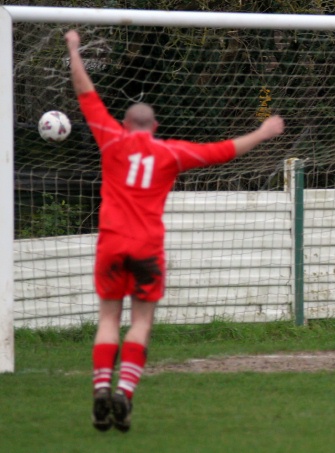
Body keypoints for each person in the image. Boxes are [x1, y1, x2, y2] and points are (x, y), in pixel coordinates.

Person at [65, 30, 286, 432]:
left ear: (126, 124)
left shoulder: (110, 139)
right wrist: (264, 132)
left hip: (111, 244)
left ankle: (101, 388)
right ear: (155, 127)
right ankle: (125, 395)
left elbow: (85, 92)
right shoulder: (170, 154)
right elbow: (221, 151)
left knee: (109, 318)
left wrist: (74, 49)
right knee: (142, 321)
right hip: (148, 248)